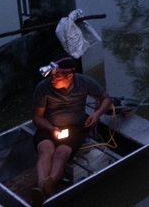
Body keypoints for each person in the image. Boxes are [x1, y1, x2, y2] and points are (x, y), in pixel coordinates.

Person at [31, 56, 111, 207]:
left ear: (69, 76)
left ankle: (49, 184)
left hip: (75, 127)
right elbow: (37, 118)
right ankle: (43, 186)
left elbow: (106, 99)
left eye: (57, 76)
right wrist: (50, 128)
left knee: (61, 153)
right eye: (52, 75)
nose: (53, 79)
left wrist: (96, 114)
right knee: (45, 150)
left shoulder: (84, 82)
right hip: (49, 126)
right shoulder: (43, 87)